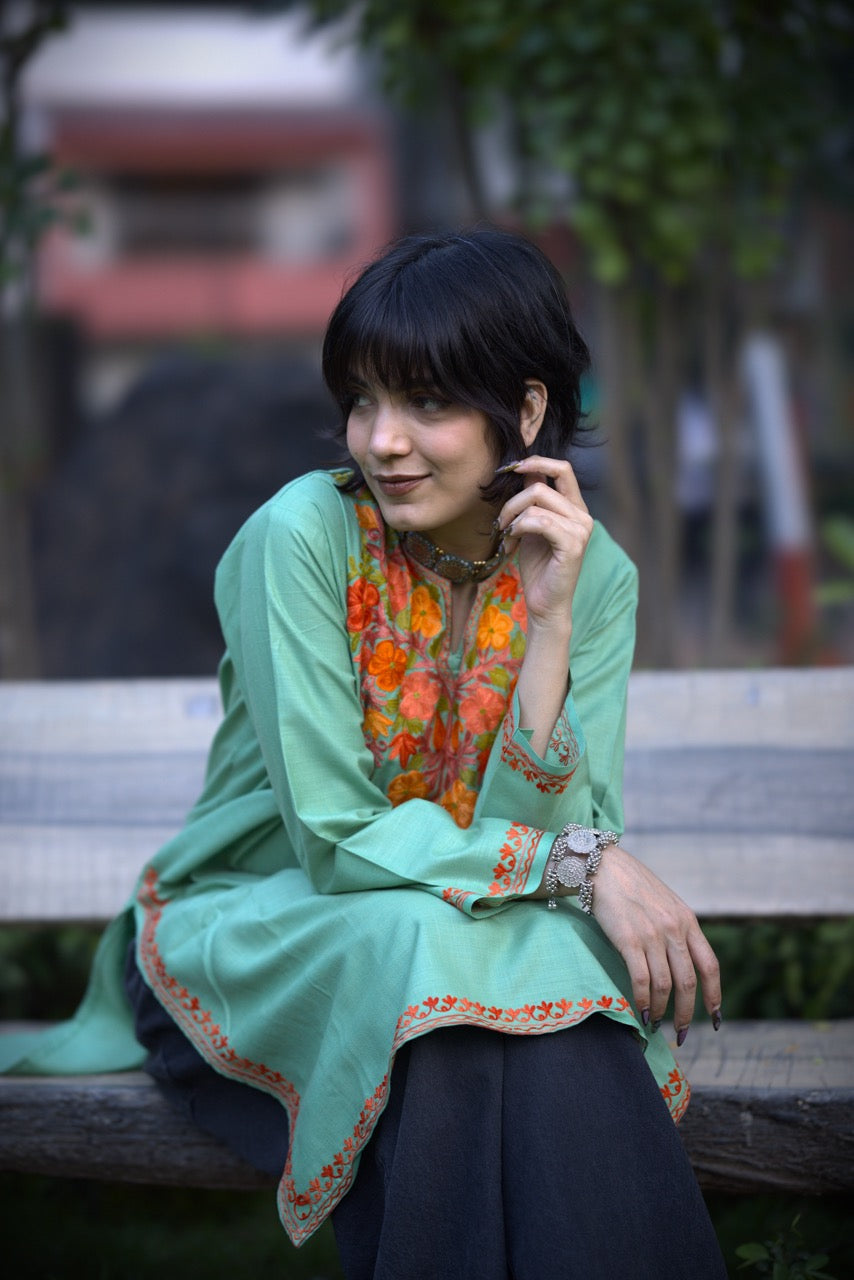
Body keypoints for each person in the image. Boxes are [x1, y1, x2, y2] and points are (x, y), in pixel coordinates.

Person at [1, 228, 727, 1279]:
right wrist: (578, 865)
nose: (382, 440)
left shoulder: (590, 573)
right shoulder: (297, 536)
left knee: (479, 971)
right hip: (246, 926)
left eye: (426, 402)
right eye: (364, 399)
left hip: (449, 944)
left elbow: (552, 836)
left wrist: (549, 625)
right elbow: (337, 836)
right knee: (438, 945)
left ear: (522, 412)